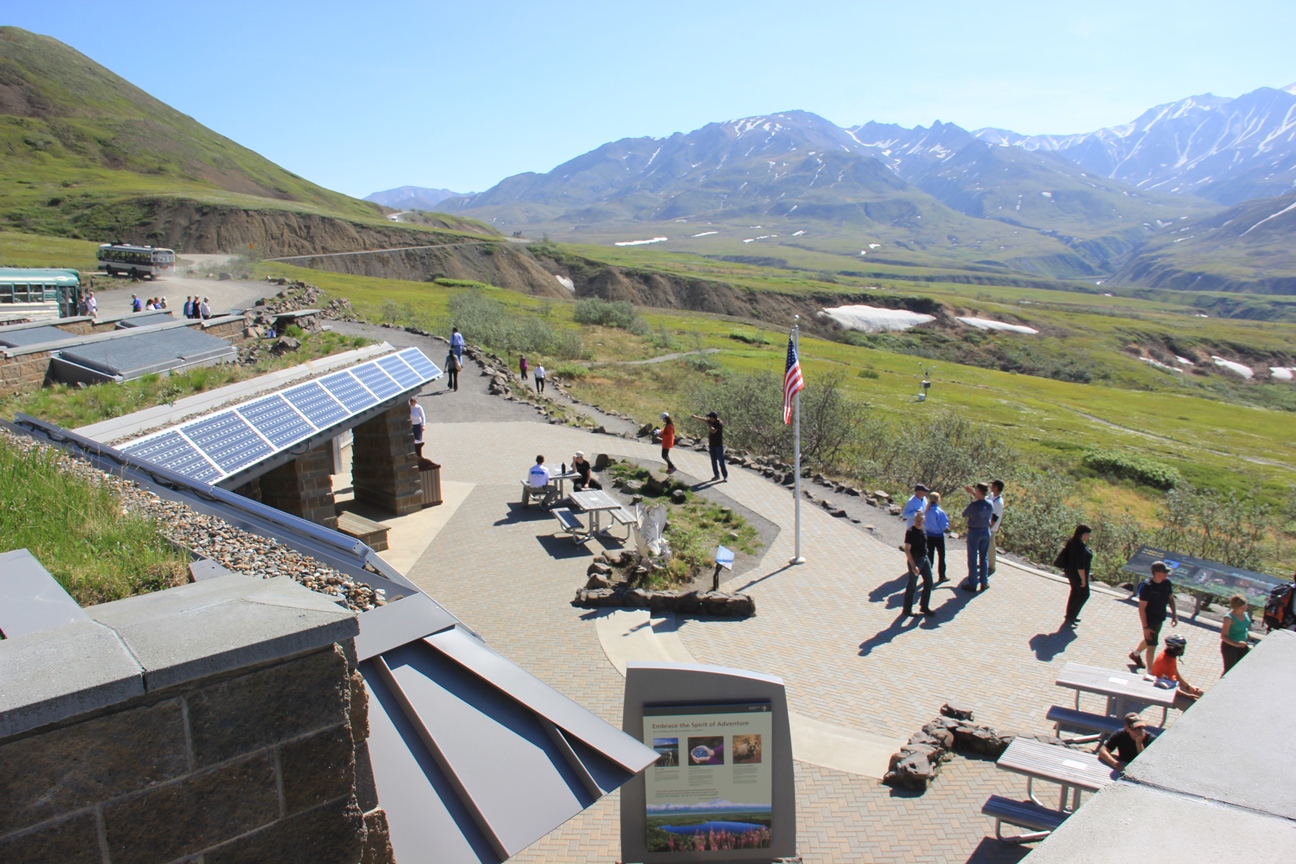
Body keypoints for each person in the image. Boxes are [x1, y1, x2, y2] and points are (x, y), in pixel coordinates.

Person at [1129, 561, 1178, 670]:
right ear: (1156, 573)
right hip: (1149, 619)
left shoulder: (1167, 583)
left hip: (1159, 618)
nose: (1166, 574)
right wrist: (1145, 627)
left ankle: (1135, 654)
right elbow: (1142, 609)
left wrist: (1174, 614)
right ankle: (1150, 672)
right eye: (1164, 572)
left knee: (1149, 640)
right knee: (1152, 646)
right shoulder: (1147, 586)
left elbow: (1170, 599)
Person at [1055, 524, 1093, 627]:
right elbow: (1080, 566)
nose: (1088, 536)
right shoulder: (1079, 547)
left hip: (1070, 572)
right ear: (1082, 534)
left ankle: (1070, 615)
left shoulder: (1072, 542)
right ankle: (1071, 616)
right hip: (1077, 574)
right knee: (1084, 595)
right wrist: (1083, 579)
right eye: (1087, 534)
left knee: (1075, 592)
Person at [901, 510, 935, 617]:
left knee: (929, 582)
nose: (918, 522)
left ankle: (924, 606)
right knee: (912, 585)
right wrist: (913, 565)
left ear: (924, 520)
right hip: (915, 560)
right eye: (916, 520)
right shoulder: (910, 532)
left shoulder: (924, 530)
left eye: (920, 520)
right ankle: (907, 609)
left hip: (925, 559)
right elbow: (907, 549)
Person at [961, 483, 994, 592]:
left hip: (974, 532)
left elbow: (964, 514)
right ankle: (984, 582)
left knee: (972, 558)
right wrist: (973, 494)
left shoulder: (973, 505)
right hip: (986, 531)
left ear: (978, 491)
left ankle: (972, 583)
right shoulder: (990, 503)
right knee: (983, 557)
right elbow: (981, 501)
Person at [1151, 634, 1203, 702]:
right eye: (1181, 647)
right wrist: (1187, 695)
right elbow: (1170, 689)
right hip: (1164, 689)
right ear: (1174, 648)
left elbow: (1175, 672)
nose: (1183, 649)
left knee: (1200, 692)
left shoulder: (1170, 655)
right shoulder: (1167, 662)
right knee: (1191, 703)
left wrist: (1188, 686)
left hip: (1171, 683)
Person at [1219, 594, 1251, 675]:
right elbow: (1223, 636)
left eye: (1246, 607)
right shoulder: (1229, 618)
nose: (1245, 609)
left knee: (1240, 668)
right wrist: (1237, 644)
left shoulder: (1244, 613)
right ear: (1235, 607)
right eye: (1242, 608)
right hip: (1231, 647)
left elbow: (1244, 627)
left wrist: (1248, 636)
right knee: (1229, 670)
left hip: (1243, 645)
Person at [691, 411, 727, 481]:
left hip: (718, 445)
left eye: (710, 417)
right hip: (712, 445)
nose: (709, 418)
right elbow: (704, 420)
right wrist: (695, 417)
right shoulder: (711, 421)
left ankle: (725, 476)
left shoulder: (719, 424)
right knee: (713, 461)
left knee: (721, 462)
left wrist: (709, 425)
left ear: (713, 418)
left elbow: (713, 431)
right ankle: (716, 475)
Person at [924, 492, 949, 582]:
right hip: (938, 536)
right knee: (941, 556)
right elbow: (944, 524)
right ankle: (942, 575)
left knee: (929, 556)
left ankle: (927, 576)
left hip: (929, 535)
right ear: (938, 500)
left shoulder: (927, 510)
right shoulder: (939, 511)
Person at [988, 479, 1005, 575]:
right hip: (987, 525)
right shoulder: (991, 496)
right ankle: (986, 562)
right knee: (986, 545)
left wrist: (989, 527)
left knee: (990, 545)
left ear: (996, 487)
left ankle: (991, 566)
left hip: (991, 527)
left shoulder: (998, 502)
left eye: (993, 485)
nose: (991, 487)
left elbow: (995, 517)